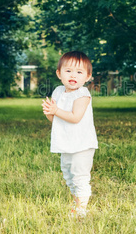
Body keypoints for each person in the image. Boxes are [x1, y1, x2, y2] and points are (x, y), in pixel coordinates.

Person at [42, 51, 98, 217]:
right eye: (68, 71)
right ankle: (76, 204)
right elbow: (56, 120)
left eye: (79, 72)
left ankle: (81, 210)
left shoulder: (82, 95)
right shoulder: (58, 91)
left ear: (87, 76)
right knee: (68, 174)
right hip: (65, 142)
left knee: (80, 176)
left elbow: (75, 118)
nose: (73, 75)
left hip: (81, 144)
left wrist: (56, 110)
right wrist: (49, 112)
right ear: (59, 73)